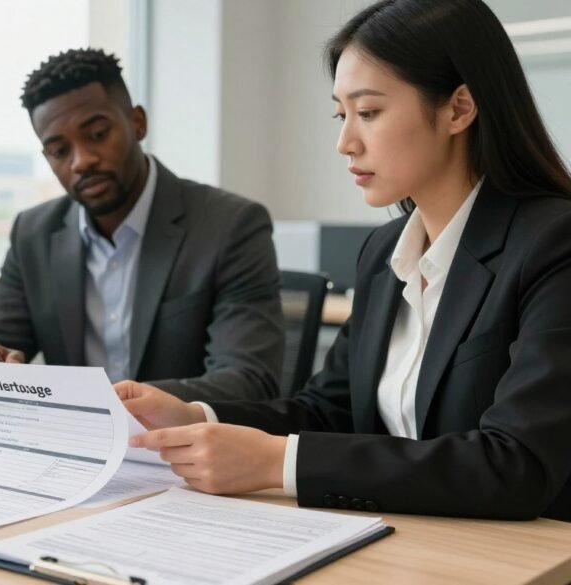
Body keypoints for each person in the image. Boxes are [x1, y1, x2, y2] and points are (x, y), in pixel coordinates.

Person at [118, 0, 571, 522]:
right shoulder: (385, 253)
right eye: (342, 114)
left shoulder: (553, 243)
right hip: (413, 541)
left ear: (458, 109)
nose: (344, 142)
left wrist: (278, 462)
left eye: (369, 112)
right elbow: (330, 411)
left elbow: (516, 465)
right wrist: (196, 415)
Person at [0, 48, 285, 402]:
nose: (82, 161)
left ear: (138, 123)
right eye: (60, 151)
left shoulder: (230, 226)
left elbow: (249, 380)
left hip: (181, 448)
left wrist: (105, 405)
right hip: (75, 448)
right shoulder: (34, 233)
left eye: (97, 134)